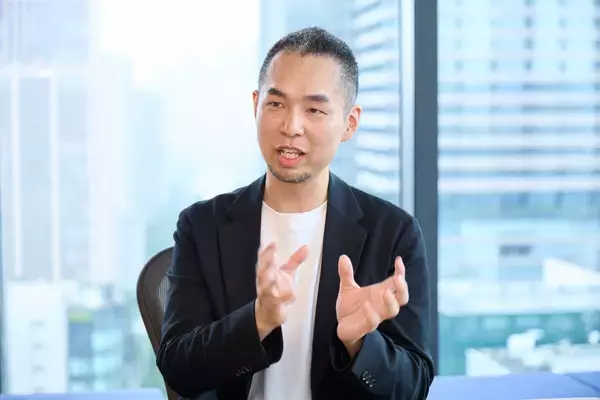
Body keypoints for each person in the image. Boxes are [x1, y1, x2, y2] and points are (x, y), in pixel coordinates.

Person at [157, 27, 434, 400]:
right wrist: (258, 320)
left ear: (349, 123)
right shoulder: (202, 226)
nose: (291, 127)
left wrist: (358, 343)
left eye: (314, 109)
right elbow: (178, 368)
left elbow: (414, 387)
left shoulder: (394, 232)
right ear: (255, 104)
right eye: (276, 104)